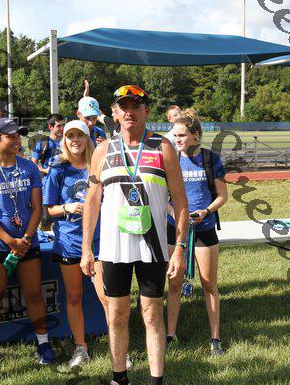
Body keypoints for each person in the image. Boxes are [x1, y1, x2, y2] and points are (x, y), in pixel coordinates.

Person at [81, 85, 188, 385]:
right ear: (114, 113)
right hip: (113, 247)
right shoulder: (103, 150)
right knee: (116, 314)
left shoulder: (163, 147)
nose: (129, 111)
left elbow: (180, 200)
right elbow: (92, 201)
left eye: (135, 106)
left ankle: (156, 380)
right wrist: (87, 248)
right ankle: (119, 378)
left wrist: (180, 247)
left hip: (153, 246)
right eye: (123, 107)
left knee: (152, 313)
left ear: (146, 111)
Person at [42, 120, 133, 371]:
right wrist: (67, 207)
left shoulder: (99, 164)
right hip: (69, 243)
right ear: (64, 140)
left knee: (108, 298)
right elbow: (49, 210)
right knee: (74, 297)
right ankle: (81, 348)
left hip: (100, 242)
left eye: (80, 135)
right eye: (70, 136)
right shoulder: (58, 169)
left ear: (87, 138)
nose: (75, 140)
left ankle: (120, 350)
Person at [0, 118, 54, 374]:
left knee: (34, 294)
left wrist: (25, 239)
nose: (17, 139)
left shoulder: (29, 167)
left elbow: (37, 208)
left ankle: (43, 344)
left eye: (19, 135)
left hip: (27, 243)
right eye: (11, 136)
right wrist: (10, 241)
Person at [165, 109, 228, 356]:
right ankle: (170, 336)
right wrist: (173, 212)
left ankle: (215, 339)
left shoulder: (211, 159)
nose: (177, 139)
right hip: (175, 230)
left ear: (196, 135)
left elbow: (222, 196)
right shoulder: (170, 159)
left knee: (209, 285)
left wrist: (205, 211)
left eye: (181, 135)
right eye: (175, 135)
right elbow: (163, 196)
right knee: (174, 285)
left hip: (204, 228)